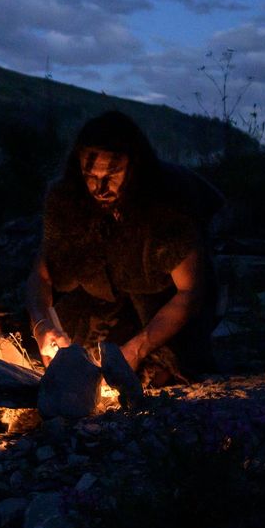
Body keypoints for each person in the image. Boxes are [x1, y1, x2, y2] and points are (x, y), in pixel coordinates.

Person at [26, 110, 224, 385]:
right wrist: (42, 325)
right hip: (104, 291)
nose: (100, 188)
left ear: (134, 168)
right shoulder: (68, 200)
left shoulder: (167, 205)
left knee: (162, 367)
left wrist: (137, 348)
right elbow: (41, 276)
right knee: (65, 350)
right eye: (90, 175)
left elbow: (191, 291)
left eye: (113, 175)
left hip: (161, 295)